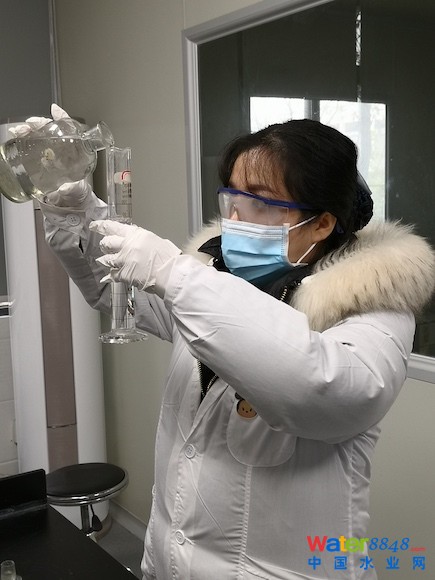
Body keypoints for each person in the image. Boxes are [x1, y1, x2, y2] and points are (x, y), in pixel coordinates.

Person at [30, 109, 435, 579]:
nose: (237, 218)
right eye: (232, 198)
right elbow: (116, 293)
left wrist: (175, 276)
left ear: (322, 223)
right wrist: (75, 213)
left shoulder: (374, 306)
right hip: (169, 561)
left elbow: (326, 389)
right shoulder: (213, 276)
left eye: (260, 202)